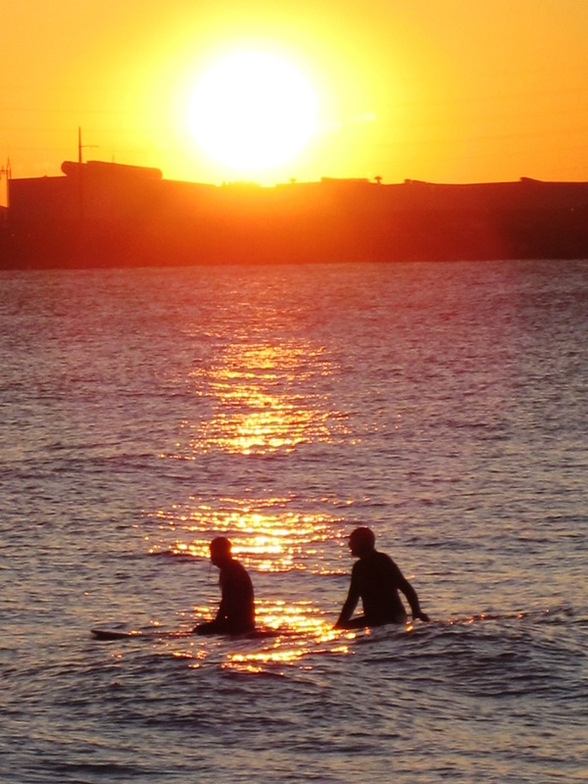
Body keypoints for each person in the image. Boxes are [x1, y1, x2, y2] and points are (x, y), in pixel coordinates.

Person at [335, 526, 430, 629]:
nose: (349, 545)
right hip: (387, 618)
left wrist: (416, 612)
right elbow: (351, 601)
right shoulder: (370, 563)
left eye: (352, 541)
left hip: (388, 618)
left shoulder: (376, 563)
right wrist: (339, 625)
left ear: (361, 543)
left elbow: (352, 601)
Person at [193, 537, 255, 635]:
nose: (211, 557)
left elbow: (228, 600)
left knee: (199, 631)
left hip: (240, 623)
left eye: (213, 553)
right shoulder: (229, 569)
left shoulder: (232, 570)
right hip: (238, 621)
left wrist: (218, 621)